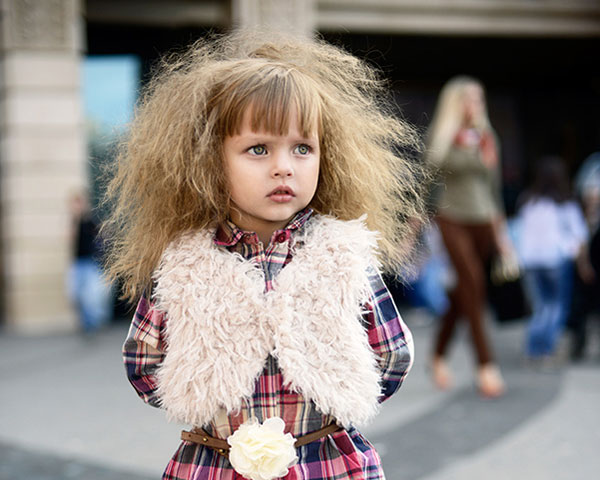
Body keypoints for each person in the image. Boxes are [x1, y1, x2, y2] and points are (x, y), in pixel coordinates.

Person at [103, 30, 425, 480]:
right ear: (210, 161)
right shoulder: (185, 263)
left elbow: (391, 354)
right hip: (217, 463)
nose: (283, 166)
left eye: (302, 148)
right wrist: (206, 398)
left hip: (324, 462)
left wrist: (332, 402)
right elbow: (144, 362)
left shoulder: (342, 253)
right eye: (258, 149)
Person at [425, 76, 510, 398]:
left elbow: (494, 189)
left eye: (479, 99)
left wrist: (502, 235)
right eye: (468, 99)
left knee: (465, 291)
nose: (475, 105)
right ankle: (486, 366)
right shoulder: (442, 136)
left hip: (483, 220)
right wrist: (413, 228)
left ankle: (437, 354)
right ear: (455, 103)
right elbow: (426, 184)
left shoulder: (487, 138)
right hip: (450, 216)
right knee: (473, 282)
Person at [515, 156, 587, 365]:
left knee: (540, 306)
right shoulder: (565, 203)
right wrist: (578, 259)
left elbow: (519, 233)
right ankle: (545, 350)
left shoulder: (528, 201)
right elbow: (579, 236)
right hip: (556, 261)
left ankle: (533, 349)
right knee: (556, 306)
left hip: (530, 261)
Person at [67, 190, 112, 334]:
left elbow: (104, 234)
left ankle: (92, 324)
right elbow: (70, 239)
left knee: (91, 295)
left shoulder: (90, 220)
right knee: (76, 294)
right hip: (78, 263)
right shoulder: (74, 221)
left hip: (91, 262)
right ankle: (86, 323)